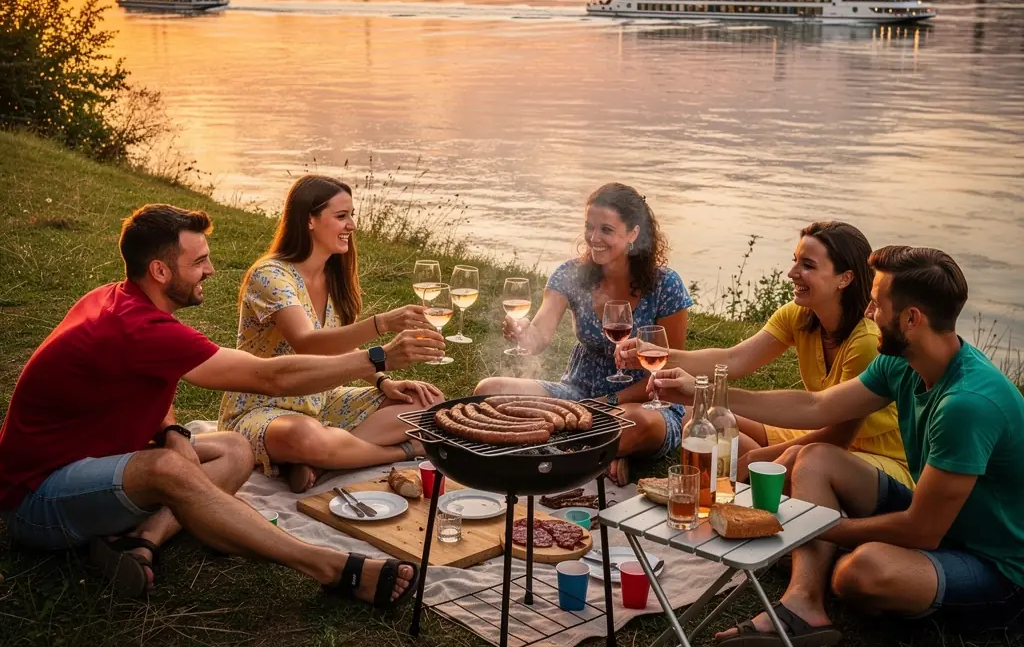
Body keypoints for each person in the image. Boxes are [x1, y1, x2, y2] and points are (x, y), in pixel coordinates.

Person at [0, 203, 447, 604]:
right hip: (37, 499)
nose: (211, 270)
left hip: (96, 462)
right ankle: (329, 567)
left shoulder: (121, 299)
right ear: (160, 271)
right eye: (198, 261)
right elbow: (271, 376)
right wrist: (380, 355)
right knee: (167, 469)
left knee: (233, 448)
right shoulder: (137, 327)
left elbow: (149, 382)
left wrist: (173, 432)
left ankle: (141, 540)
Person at [652, 245, 1024, 647]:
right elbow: (818, 407)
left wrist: (811, 527)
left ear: (911, 319)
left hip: (998, 564)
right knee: (815, 458)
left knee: (861, 572)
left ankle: (823, 557)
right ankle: (804, 602)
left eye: (877, 305)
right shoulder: (903, 361)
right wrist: (704, 390)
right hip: (942, 522)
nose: (868, 313)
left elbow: (923, 530)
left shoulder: (967, 405)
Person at [618, 221, 910, 487]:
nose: (792, 273)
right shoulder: (800, 315)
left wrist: (754, 459)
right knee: (698, 416)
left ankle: (767, 476)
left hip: (871, 455)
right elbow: (732, 359)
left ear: (844, 278)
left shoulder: (867, 341)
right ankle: (766, 477)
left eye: (808, 265)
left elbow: (838, 437)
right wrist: (662, 354)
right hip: (816, 434)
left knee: (795, 459)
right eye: (795, 261)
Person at [220, 175, 443, 493]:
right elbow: (306, 341)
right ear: (309, 220)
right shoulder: (270, 276)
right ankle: (398, 451)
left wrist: (384, 382)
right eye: (341, 216)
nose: (351, 225)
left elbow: (333, 351)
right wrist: (381, 326)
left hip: (319, 401)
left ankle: (318, 459)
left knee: (428, 404)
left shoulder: (334, 277)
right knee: (306, 436)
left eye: (352, 215)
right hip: (263, 406)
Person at [475, 183, 693, 485]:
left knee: (634, 423)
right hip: (576, 395)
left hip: (644, 401)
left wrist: (607, 402)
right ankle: (600, 455)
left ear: (633, 234)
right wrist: (524, 332)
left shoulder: (666, 285)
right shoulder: (570, 274)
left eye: (606, 229)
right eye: (589, 227)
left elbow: (667, 369)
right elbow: (541, 334)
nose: (594, 238)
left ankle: (558, 448)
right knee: (489, 391)